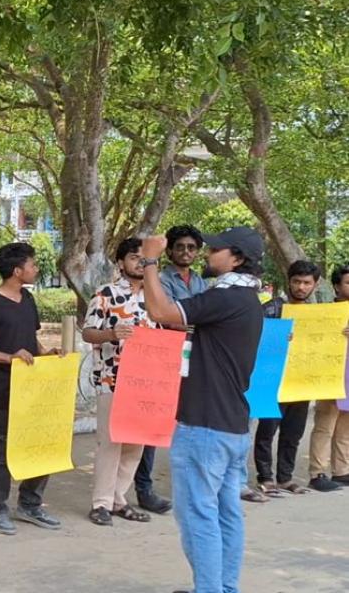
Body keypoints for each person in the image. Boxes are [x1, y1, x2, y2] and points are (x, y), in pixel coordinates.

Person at [140, 226, 264, 593]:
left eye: (215, 249)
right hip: (231, 425)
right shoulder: (246, 300)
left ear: (236, 259)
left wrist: (149, 259)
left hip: (204, 426)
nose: (207, 255)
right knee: (226, 513)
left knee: (198, 515)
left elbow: (160, 310)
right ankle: (223, 587)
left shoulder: (226, 298)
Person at [0, 242, 62, 536]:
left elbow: (31, 341)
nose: (36, 269)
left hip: (34, 387)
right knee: (1, 445)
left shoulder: (29, 300)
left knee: (40, 441)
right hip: (1, 388)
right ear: (17, 270)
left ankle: (30, 504)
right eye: (32, 265)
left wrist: (48, 353)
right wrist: (10, 358)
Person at [134, 224, 208, 514]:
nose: (186, 252)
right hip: (162, 355)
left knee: (191, 421)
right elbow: (163, 314)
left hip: (195, 356)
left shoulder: (201, 282)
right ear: (170, 250)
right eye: (180, 247)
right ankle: (144, 489)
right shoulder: (160, 279)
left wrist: (192, 321)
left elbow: (196, 316)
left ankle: (190, 486)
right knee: (154, 424)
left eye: (191, 248)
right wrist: (194, 322)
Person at [82, 238, 155, 526]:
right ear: (121, 262)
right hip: (112, 379)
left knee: (136, 443)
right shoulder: (106, 295)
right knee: (110, 443)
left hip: (148, 383)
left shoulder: (157, 297)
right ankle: (100, 503)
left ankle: (118, 499)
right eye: (135, 257)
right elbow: (88, 332)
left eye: (145, 258)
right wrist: (112, 333)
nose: (140, 263)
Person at [253, 260, 331, 493]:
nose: (301, 287)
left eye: (307, 282)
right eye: (296, 281)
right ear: (289, 281)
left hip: (301, 380)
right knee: (267, 430)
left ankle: (285, 478)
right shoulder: (271, 308)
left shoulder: (320, 314)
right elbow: (254, 337)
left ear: (315, 285)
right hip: (272, 379)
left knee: (293, 432)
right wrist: (276, 337)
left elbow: (327, 344)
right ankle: (265, 478)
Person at [307, 265, 349, 490]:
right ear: (336, 286)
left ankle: (342, 470)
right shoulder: (325, 313)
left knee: (345, 427)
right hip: (330, 376)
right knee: (325, 424)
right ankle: (317, 472)